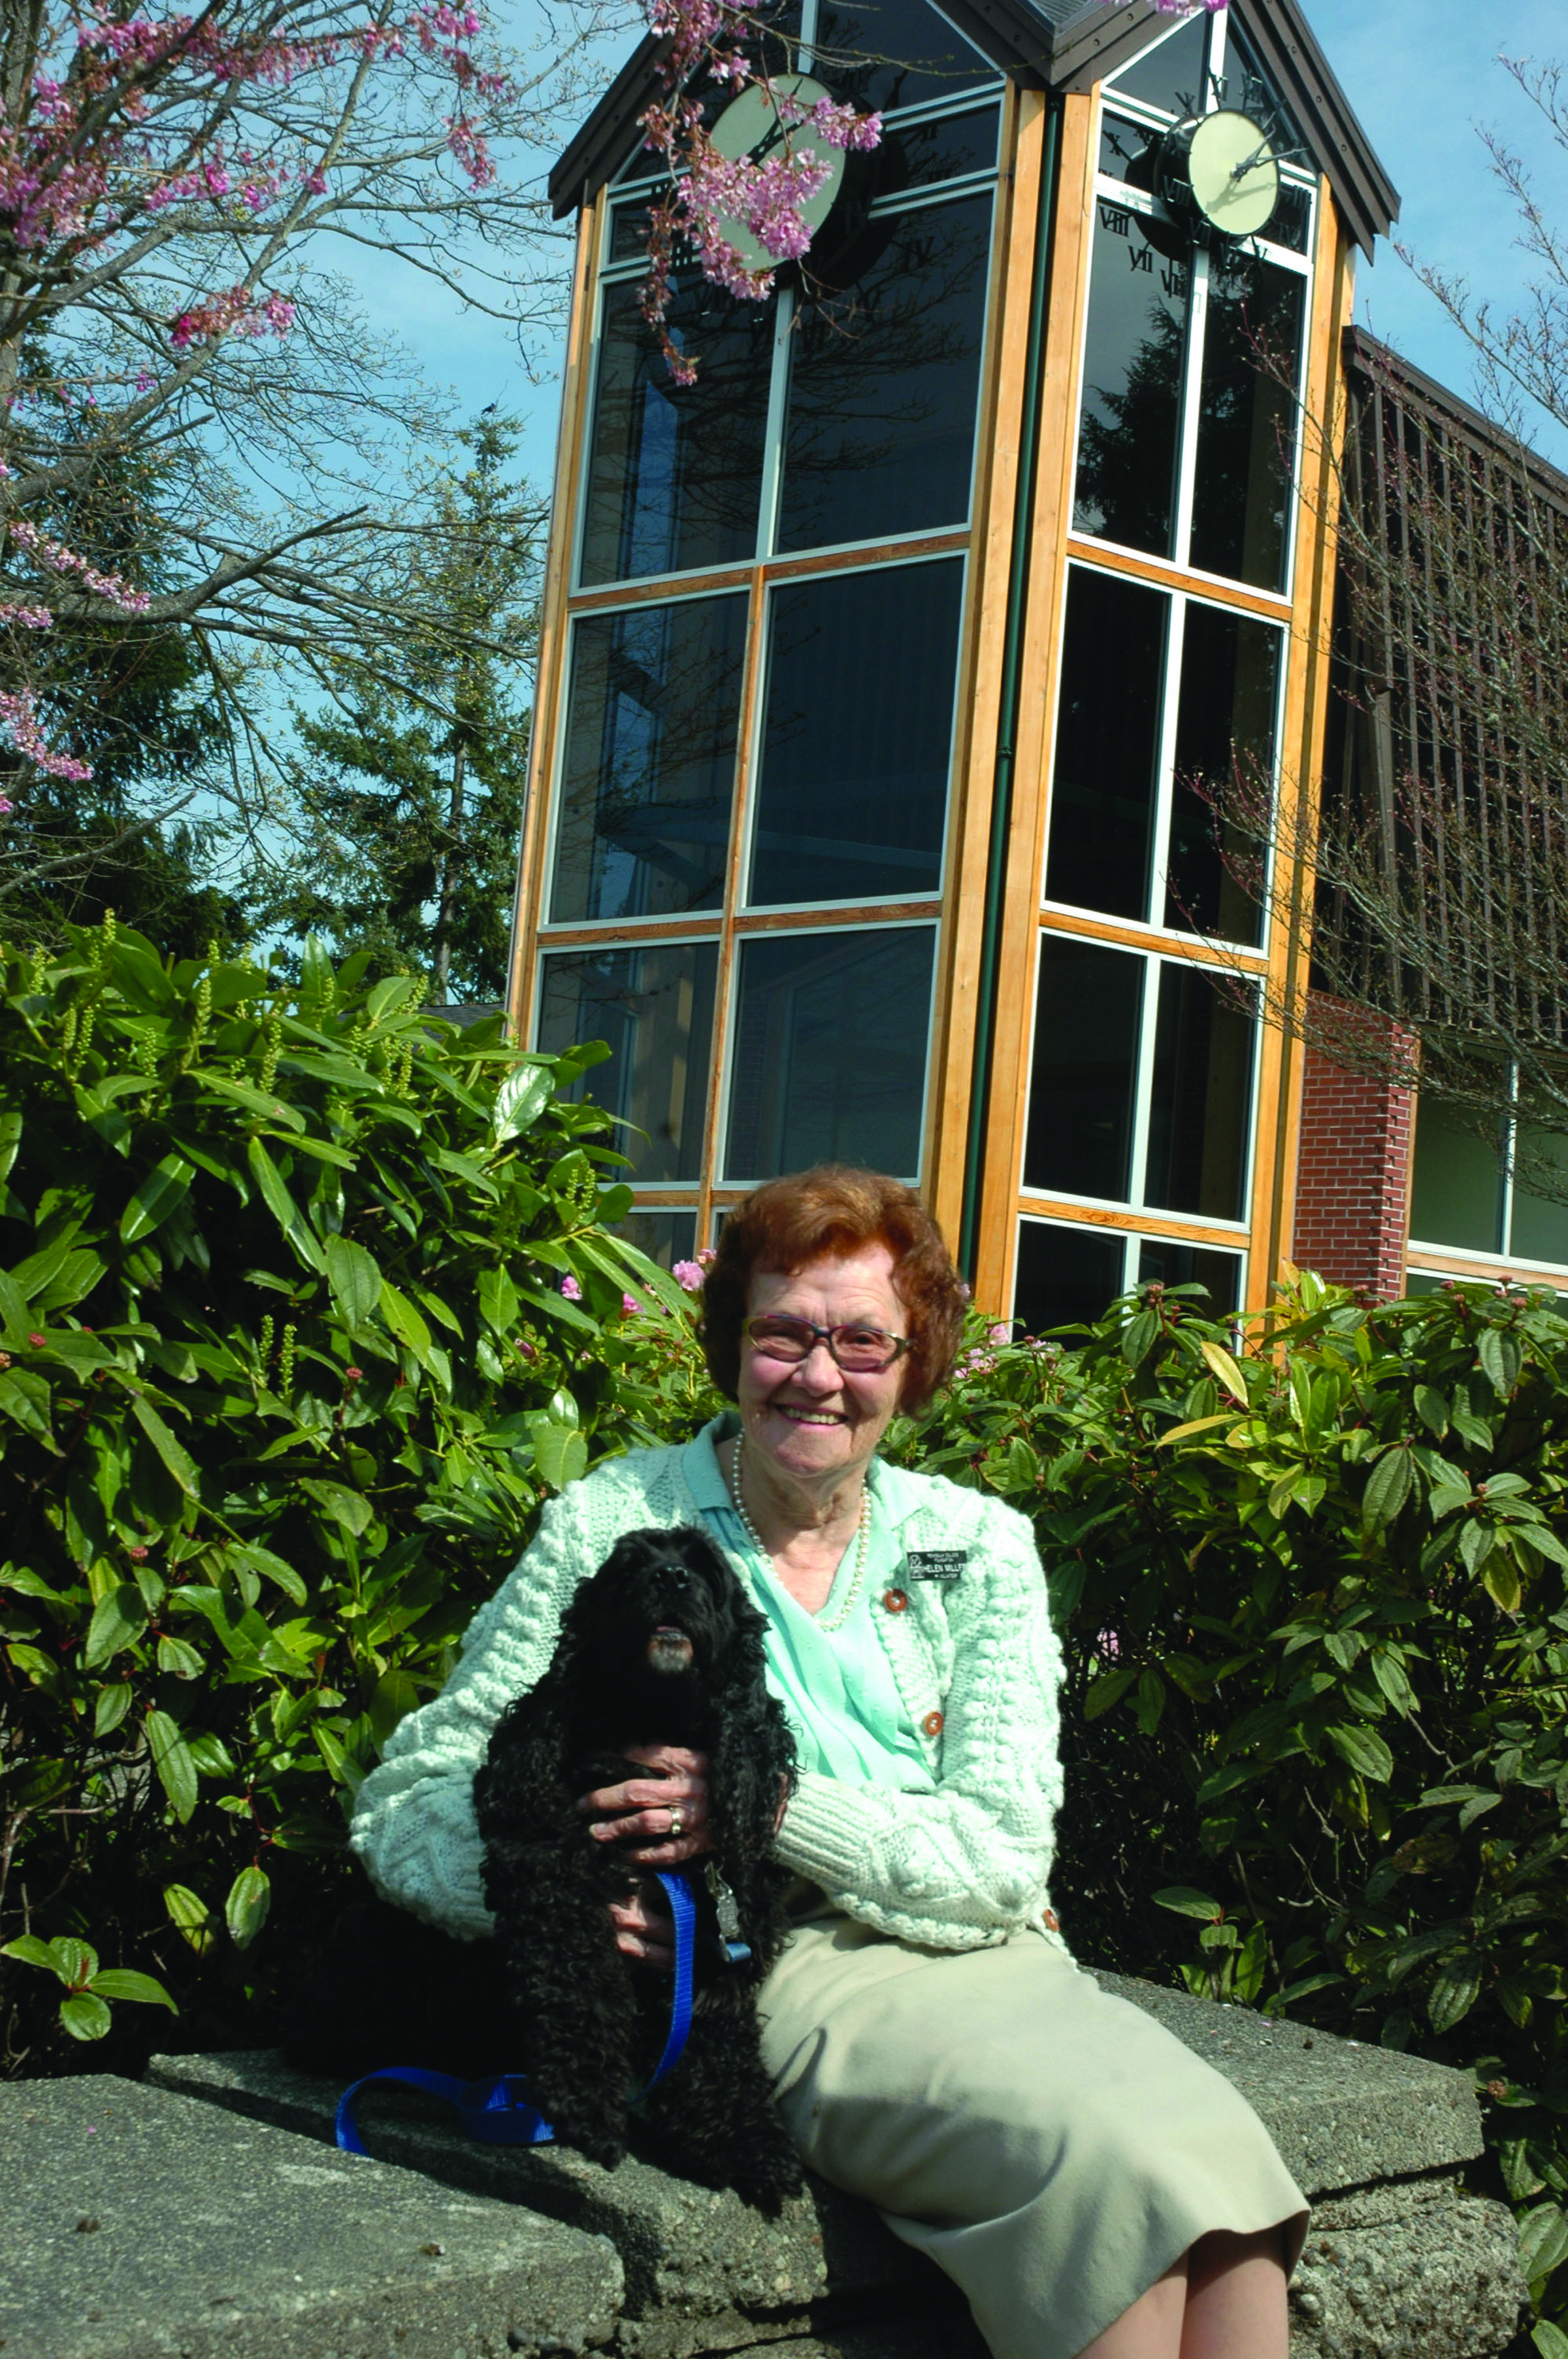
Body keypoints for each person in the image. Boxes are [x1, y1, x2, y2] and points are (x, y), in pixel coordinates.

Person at [350, 1166, 1306, 2359]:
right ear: (731, 1342)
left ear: (916, 1362)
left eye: (862, 1340)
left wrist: (765, 1806)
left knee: (1222, 2187)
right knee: (1112, 2182)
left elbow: (1002, 1856)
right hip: (777, 1970)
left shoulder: (976, 1544)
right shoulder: (612, 1522)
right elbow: (417, 1794)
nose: (819, 1374)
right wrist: (569, 1895)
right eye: (785, 1332)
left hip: (997, 1960)